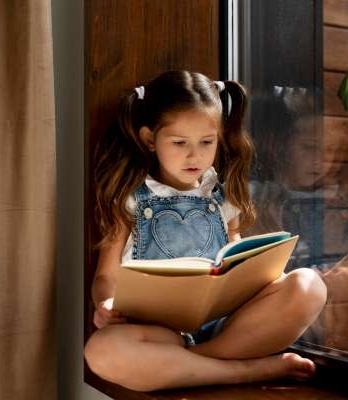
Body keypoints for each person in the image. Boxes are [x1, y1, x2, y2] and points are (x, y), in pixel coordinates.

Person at [83, 70, 328, 392]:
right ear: (148, 139)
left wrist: (260, 272)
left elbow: (236, 260)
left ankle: (192, 362)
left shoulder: (224, 197)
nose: (194, 155)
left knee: (309, 285)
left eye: (206, 142)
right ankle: (248, 370)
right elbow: (105, 277)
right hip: (159, 333)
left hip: (226, 326)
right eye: (180, 142)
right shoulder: (128, 199)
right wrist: (106, 305)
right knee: (101, 351)